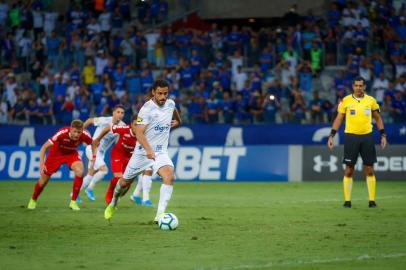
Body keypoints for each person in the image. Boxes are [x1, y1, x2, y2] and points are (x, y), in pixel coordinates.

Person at [104, 80, 181, 222]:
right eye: (160, 93)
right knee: (124, 183)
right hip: (142, 153)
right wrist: (148, 150)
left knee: (169, 176)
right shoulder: (147, 109)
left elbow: (174, 112)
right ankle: (113, 202)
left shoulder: (170, 104)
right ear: (153, 92)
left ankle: (160, 216)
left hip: (160, 153)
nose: (163, 97)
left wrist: (178, 121)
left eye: (165, 93)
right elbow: (139, 133)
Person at [327, 76, 387, 208]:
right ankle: (347, 201)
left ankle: (372, 201)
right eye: (356, 86)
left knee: (369, 169)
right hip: (351, 137)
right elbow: (339, 118)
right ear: (353, 87)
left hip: (367, 137)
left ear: (364, 87)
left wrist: (383, 135)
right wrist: (331, 135)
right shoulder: (345, 101)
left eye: (361, 86)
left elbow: (378, 118)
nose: (359, 88)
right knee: (349, 170)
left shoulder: (371, 101)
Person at [27, 120, 94, 211]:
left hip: (71, 154)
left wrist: (93, 156)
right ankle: (33, 199)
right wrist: (41, 164)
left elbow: (94, 144)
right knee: (43, 182)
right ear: (70, 129)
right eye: (74, 131)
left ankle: (73, 202)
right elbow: (44, 147)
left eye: (79, 132)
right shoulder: (61, 133)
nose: (77, 134)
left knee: (80, 171)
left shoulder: (85, 135)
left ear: (82, 130)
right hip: (56, 154)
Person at [91, 115, 153, 206]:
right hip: (118, 155)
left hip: (131, 158)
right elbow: (108, 127)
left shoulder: (144, 135)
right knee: (118, 178)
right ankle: (110, 193)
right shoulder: (125, 129)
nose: (137, 127)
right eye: (135, 124)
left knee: (127, 183)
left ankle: (118, 196)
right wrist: (97, 139)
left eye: (139, 125)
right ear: (131, 124)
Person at [81, 105, 125, 201]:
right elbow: (89, 121)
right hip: (92, 149)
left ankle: (74, 194)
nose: (120, 114)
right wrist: (80, 133)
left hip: (101, 154)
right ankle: (89, 189)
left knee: (90, 174)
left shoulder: (123, 126)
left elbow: (120, 141)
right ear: (113, 112)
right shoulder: (105, 120)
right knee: (104, 170)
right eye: (118, 112)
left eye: (122, 113)